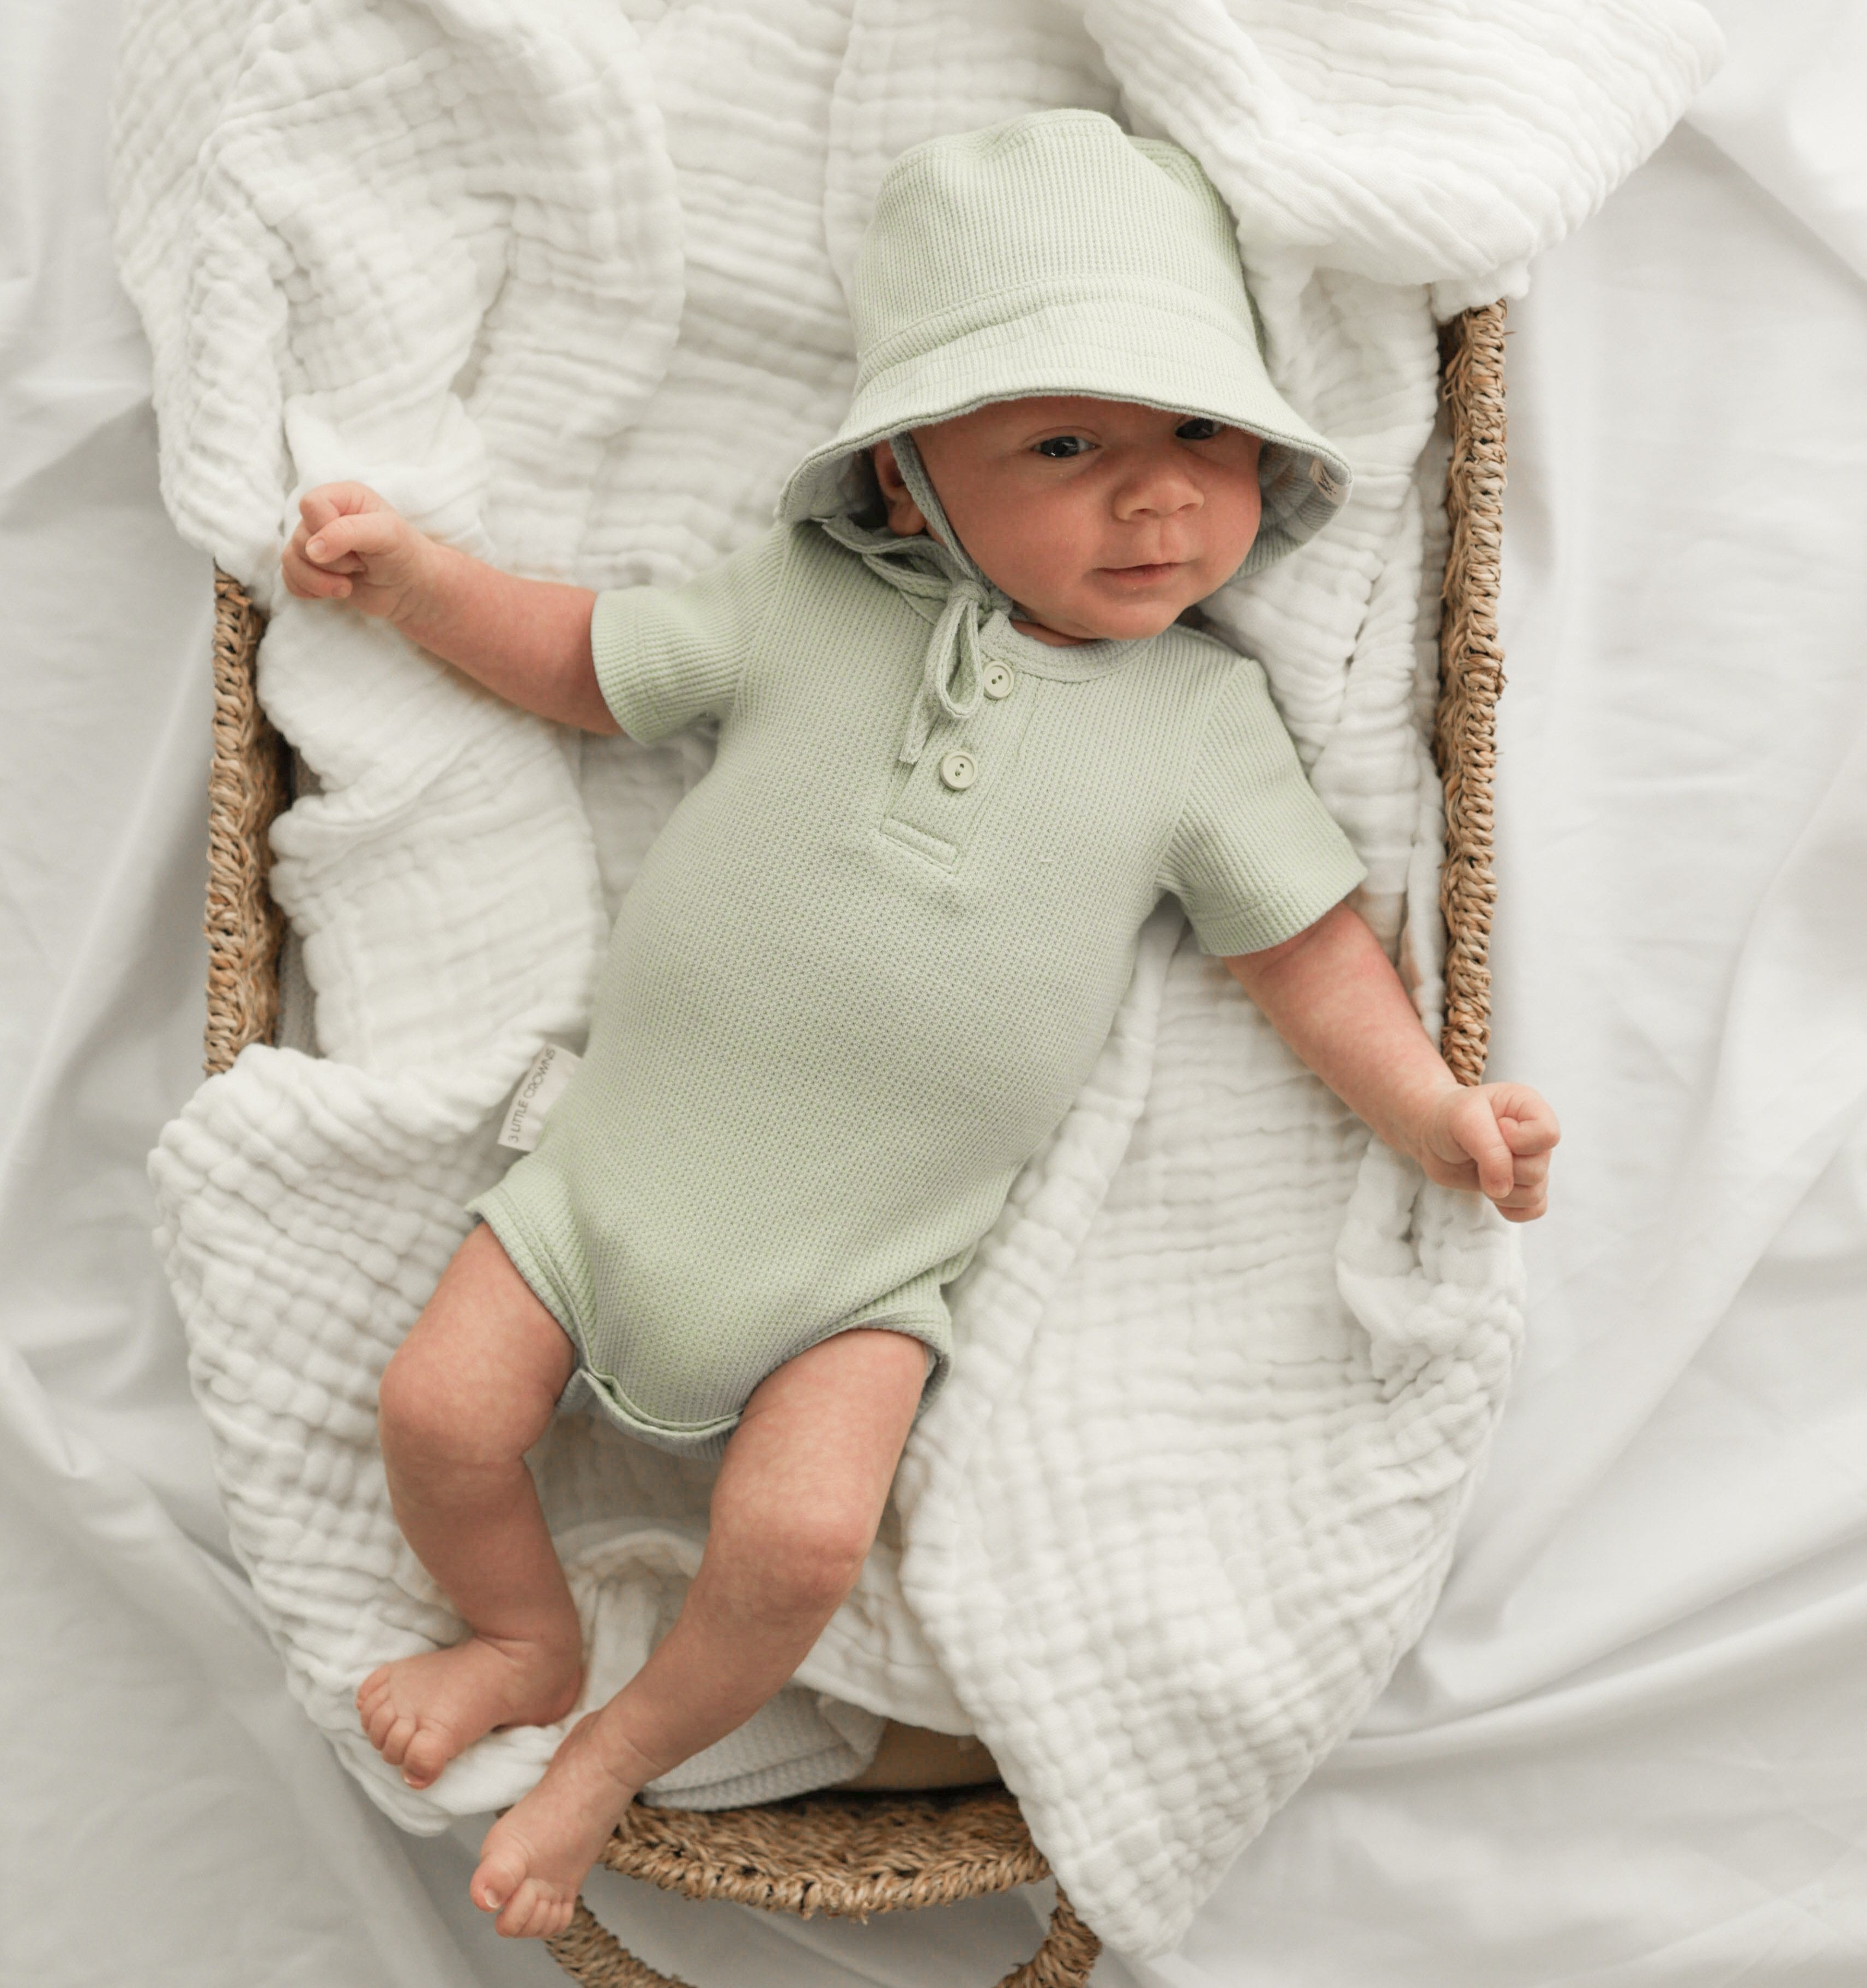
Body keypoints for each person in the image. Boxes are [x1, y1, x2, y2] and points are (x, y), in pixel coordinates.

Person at [278, 110, 1558, 1940]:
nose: (1159, 496)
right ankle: (517, 1632)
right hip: (600, 1191)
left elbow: (1308, 952)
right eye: (1067, 444)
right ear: (904, 485)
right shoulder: (803, 607)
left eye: (1204, 435)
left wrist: (1433, 1113)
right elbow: (584, 663)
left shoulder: (1202, 722)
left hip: (870, 1273)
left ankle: (614, 1750)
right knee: (438, 1412)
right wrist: (416, 582)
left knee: (797, 1545)